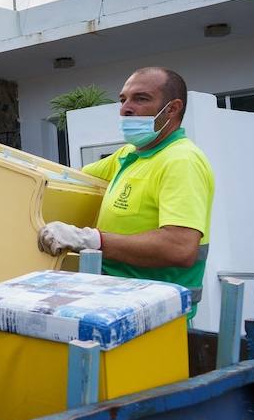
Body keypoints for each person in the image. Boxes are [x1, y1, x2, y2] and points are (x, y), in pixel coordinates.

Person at [37, 67, 215, 317]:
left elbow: (180, 247)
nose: (125, 109)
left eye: (140, 98)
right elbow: (67, 180)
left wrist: (90, 240)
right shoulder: (130, 154)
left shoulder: (181, 161)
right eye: (123, 100)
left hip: (156, 316)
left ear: (172, 109)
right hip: (116, 305)